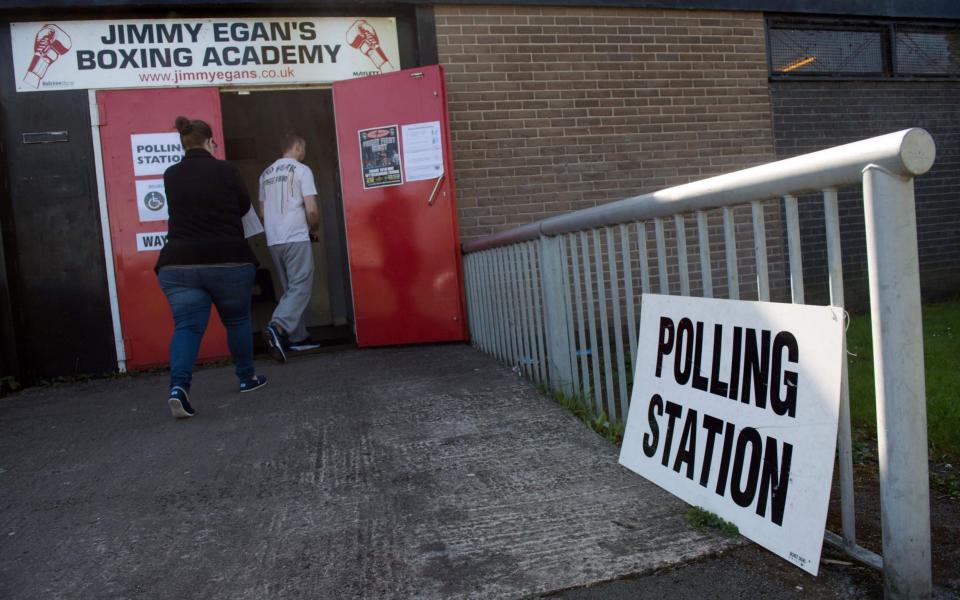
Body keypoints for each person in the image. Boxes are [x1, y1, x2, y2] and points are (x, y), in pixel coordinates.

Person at [155, 116, 267, 419]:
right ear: (210, 141)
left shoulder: (171, 175)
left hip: (178, 265)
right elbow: (244, 207)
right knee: (237, 320)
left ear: (183, 142)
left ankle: (178, 388)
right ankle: (247, 378)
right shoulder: (226, 170)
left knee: (188, 327)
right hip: (228, 260)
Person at [259, 132, 322, 362]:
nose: (304, 153)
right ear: (297, 147)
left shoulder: (265, 174)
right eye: (303, 148)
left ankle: (298, 338)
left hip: (274, 238)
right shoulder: (302, 170)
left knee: (290, 290)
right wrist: (313, 229)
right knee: (301, 286)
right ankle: (277, 327)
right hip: (295, 235)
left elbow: (262, 212)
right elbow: (312, 209)